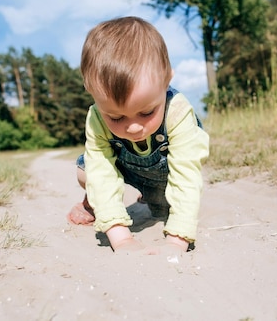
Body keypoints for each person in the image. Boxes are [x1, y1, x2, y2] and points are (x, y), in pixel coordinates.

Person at [67, 16, 209, 254]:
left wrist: (177, 239)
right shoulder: (95, 117)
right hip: (124, 166)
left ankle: (149, 193)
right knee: (87, 172)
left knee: (164, 209)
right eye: (116, 117)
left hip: (163, 174)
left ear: (166, 81)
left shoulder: (178, 111)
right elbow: (101, 172)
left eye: (146, 112)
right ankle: (95, 202)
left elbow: (186, 176)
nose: (133, 127)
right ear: (91, 92)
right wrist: (119, 236)